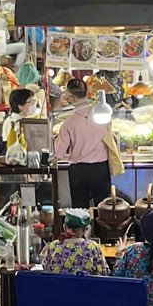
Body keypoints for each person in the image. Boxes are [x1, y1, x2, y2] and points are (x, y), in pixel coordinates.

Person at [54, 80, 114, 212]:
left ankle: (81, 233)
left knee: (80, 211)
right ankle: (102, 232)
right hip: (100, 169)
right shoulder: (103, 115)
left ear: (71, 98)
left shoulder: (68, 124)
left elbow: (58, 153)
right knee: (104, 210)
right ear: (87, 93)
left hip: (78, 171)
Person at [40, 210, 107, 277]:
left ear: (65, 227)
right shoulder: (93, 247)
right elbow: (104, 273)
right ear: (84, 230)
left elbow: (46, 269)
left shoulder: (53, 246)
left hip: (59, 286)